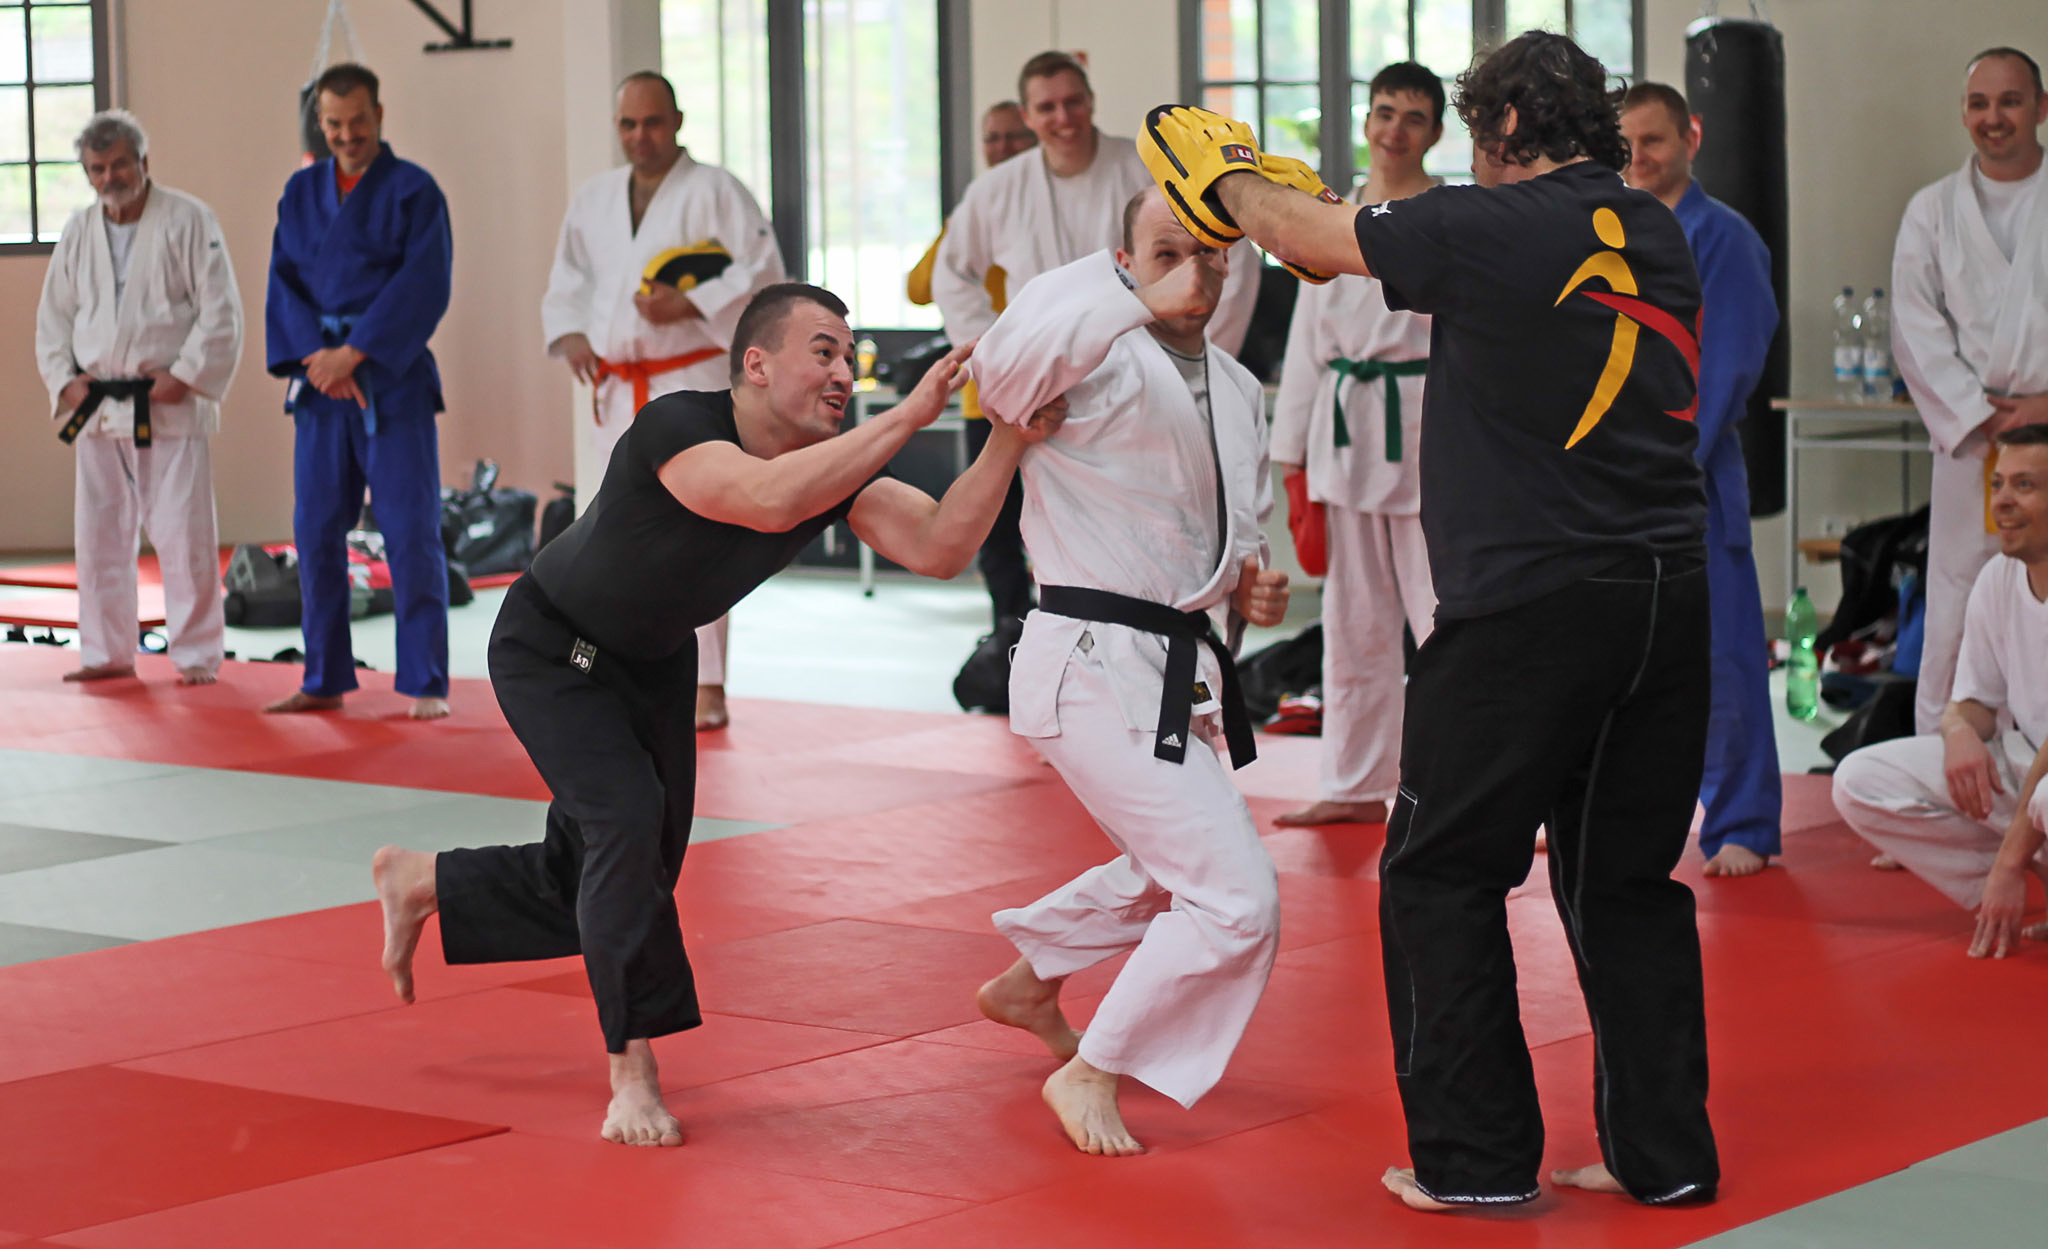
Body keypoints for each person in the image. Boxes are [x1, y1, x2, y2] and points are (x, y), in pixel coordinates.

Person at [1140, 30, 1718, 1208]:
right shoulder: (1650, 227)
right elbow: (1342, 246)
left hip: (1528, 608)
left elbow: (1308, 238)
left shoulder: (1491, 224)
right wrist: (1313, 215)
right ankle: (1662, 1161)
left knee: (1440, 873)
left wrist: (1230, 176)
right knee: (1625, 885)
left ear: (1500, 128)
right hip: (1666, 598)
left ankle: (1476, 1162)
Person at [370, 282, 1064, 1148]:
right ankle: (632, 1070)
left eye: (850, 357)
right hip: (553, 649)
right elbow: (765, 498)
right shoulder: (679, 425)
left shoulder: (828, 467)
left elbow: (939, 545)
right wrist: (909, 416)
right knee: (625, 823)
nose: (843, 371)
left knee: (627, 869)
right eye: (823, 351)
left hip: (656, 662)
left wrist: (1006, 438)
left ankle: (426, 881)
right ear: (756, 364)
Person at [970, 188, 1290, 1157]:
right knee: (1236, 899)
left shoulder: (1237, 387)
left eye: (1209, 254)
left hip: (1174, 666)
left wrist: (1250, 587)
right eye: (1165, 250)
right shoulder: (1089, 354)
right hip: (1086, 664)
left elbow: (1231, 536)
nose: (1193, 270)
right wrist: (1131, 302)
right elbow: (1000, 377)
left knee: (1166, 870)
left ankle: (1030, 982)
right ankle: (1093, 1067)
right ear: (1121, 261)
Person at [542, 71, 785, 731]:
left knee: (697, 532)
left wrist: (692, 301)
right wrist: (571, 334)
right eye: (628, 124)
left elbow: (765, 275)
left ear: (676, 121)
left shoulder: (716, 192)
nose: (639, 136)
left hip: (689, 383)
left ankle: (707, 683)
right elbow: (569, 278)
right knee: (614, 532)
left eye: (652, 122)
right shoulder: (594, 198)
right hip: (617, 389)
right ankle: (620, 669)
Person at [1271, 62, 1442, 829]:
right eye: (1384, 112)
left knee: (1446, 621)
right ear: (1367, 121)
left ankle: (1467, 788)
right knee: (1353, 623)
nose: (1394, 130)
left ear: (1434, 131)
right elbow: (1307, 343)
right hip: (1346, 435)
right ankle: (1353, 781)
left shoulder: (1450, 215)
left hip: (1427, 428)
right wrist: (1292, 459)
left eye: (1413, 116)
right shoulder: (1329, 215)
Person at [1621, 83, 1783, 878]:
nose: (1638, 158)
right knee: (1614, 662)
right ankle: (1611, 813)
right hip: (1610, 476)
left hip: (1689, 476)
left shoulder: (1726, 238)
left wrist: (1661, 461)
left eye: (1653, 140)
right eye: (1624, 145)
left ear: (1691, 137)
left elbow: (1724, 367)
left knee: (1722, 655)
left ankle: (1743, 818)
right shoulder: (1611, 235)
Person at [264, 63, 454, 720]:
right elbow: (282, 281)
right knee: (315, 530)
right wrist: (319, 358)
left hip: (390, 382)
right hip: (321, 383)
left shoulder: (415, 190)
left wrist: (356, 351)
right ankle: (323, 676)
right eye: (334, 124)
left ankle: (425, 679)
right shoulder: (300, 191)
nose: (347, 136)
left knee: (409, 530)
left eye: (358, 122)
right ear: (320, 122)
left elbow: (425, 283)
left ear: (379, 115)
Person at [35, 110, 242, 687]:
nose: (110, 177)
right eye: (97, 168)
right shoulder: (78, 231)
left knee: (183, 534)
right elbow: (53, 319)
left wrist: (187, 375)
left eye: (120, 164)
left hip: (167, 403)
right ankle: (106, 652)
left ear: (144, 162)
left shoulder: (189, 219)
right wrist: (65, 381)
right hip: (99, 408)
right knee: (99, 537)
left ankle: (196, 654)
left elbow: (221, 311)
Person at [1833, 426, 2048, 958]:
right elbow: (1972, 702)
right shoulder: (1997, 579)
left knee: (2045, 797)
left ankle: (2010, 873)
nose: (2002, 500)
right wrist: (1957, 732)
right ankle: (2007, 891)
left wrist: (2009, 862)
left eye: (2024, 485)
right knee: (1859, 780)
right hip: (2028, 767)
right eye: (1998, 484)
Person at [1893, 46, 2048, 736]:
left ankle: (2034, 770)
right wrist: (1980, 414)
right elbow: (1914, 325)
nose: (1994, 117)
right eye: (1979, 103)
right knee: (1958, 597)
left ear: (2042, 108)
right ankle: (1941, 764)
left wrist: (2043, 409)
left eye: (2010, 100)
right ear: (1963, 113)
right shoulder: (1932, 211)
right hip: (1972, 440)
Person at [933, 51, 1260, 371]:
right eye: (1047, 107)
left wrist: (1202, 357)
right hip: (1037, 372)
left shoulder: (1149, 169)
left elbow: (1234, 253)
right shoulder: (995, 190)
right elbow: (951, 276)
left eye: (1073, 101)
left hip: (1146, 368)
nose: (1063, 117)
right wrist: (996, 355)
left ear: (1091, 100)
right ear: (1027, 116)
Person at [907, 100, 1038, 629]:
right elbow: (919, 288)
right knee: (996, 526)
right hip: (984, 394)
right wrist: (960, 227)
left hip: (1048, 391)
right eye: (992, 138)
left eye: (1015, 136)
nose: (1003, 148)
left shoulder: (1041, 215)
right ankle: (1008, 631)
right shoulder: (975, 213)